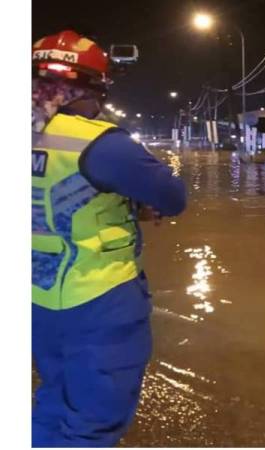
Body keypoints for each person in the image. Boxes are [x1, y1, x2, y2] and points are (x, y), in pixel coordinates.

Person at [31, 30, 187, 446]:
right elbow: (173, 197)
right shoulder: (99, 142)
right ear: (91, 88)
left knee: (52, 400)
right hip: (97, 301)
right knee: (94, 421)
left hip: (36, 298)